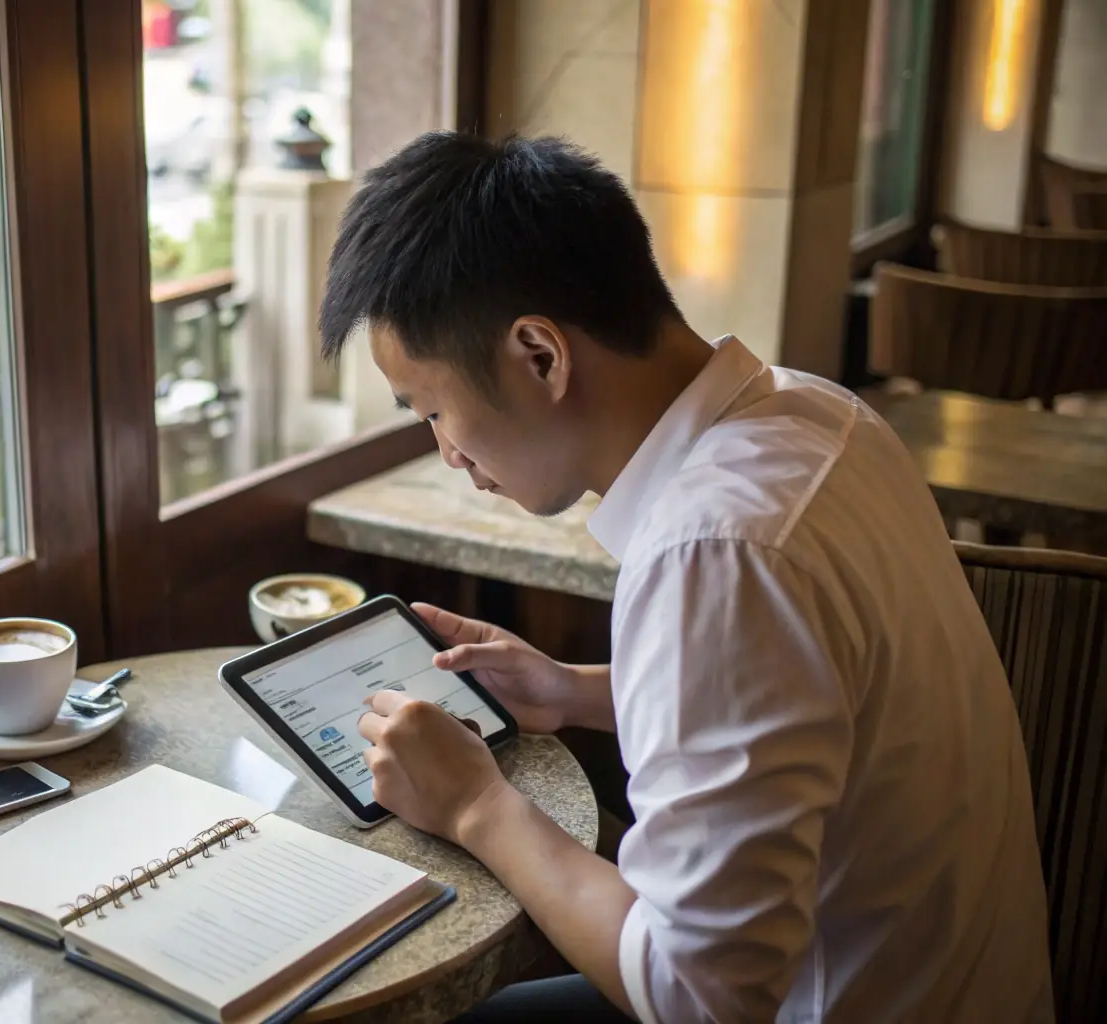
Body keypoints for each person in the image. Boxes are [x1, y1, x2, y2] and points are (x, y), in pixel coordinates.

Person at [321, 133, 1054, 1023]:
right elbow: (818, 703)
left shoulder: (714, 550)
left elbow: (698, 998)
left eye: (435, 410)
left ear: (540, 354)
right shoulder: (820, 412)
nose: (447, 452)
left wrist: (476, 806)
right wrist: (573, 690)